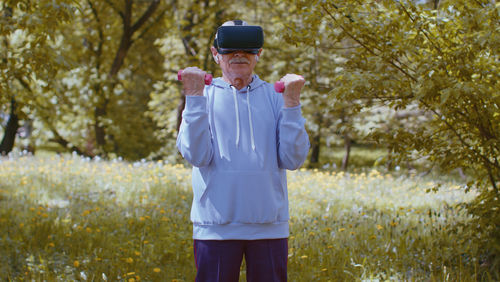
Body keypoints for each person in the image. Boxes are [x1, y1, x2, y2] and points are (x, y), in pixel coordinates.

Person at [176, 20, 310, 282]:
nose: (239, 55)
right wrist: (193, 97)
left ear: (258, 54)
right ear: (216, 54)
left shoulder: (276, 96)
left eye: (247, 49)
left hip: (268, 227)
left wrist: (292, 103)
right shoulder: (202, 96)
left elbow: (293, 159)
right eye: (229, 50)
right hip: (215, 228)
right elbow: (196, 156)